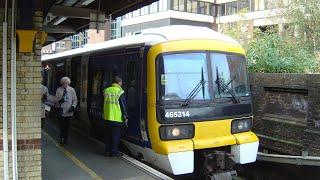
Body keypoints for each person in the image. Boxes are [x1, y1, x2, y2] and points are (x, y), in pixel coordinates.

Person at [103, 76, 128, 157]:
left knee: (108, 135)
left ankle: (107, 151)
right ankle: (114, 152)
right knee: (115, 136)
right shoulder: (120, 92)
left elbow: (102, 103)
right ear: (119, 82)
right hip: (116, 118)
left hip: (107, 117)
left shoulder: (106, 90)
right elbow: (123, 105)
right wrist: (126, 116)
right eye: (121, 82)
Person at [56, 77, 78, 145]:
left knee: (67, 127)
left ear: (68, 83)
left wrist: (73, 106)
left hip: (69, 112)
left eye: (66, 83)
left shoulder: (72, 90)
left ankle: (66, 139)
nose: (65, 84)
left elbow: (75, 100)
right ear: (62, 83)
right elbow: (55, 100)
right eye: (64, 83)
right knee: (62, 126)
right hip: (61, 111)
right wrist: (59, 101)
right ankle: (62, 139)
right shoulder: (59, 89)